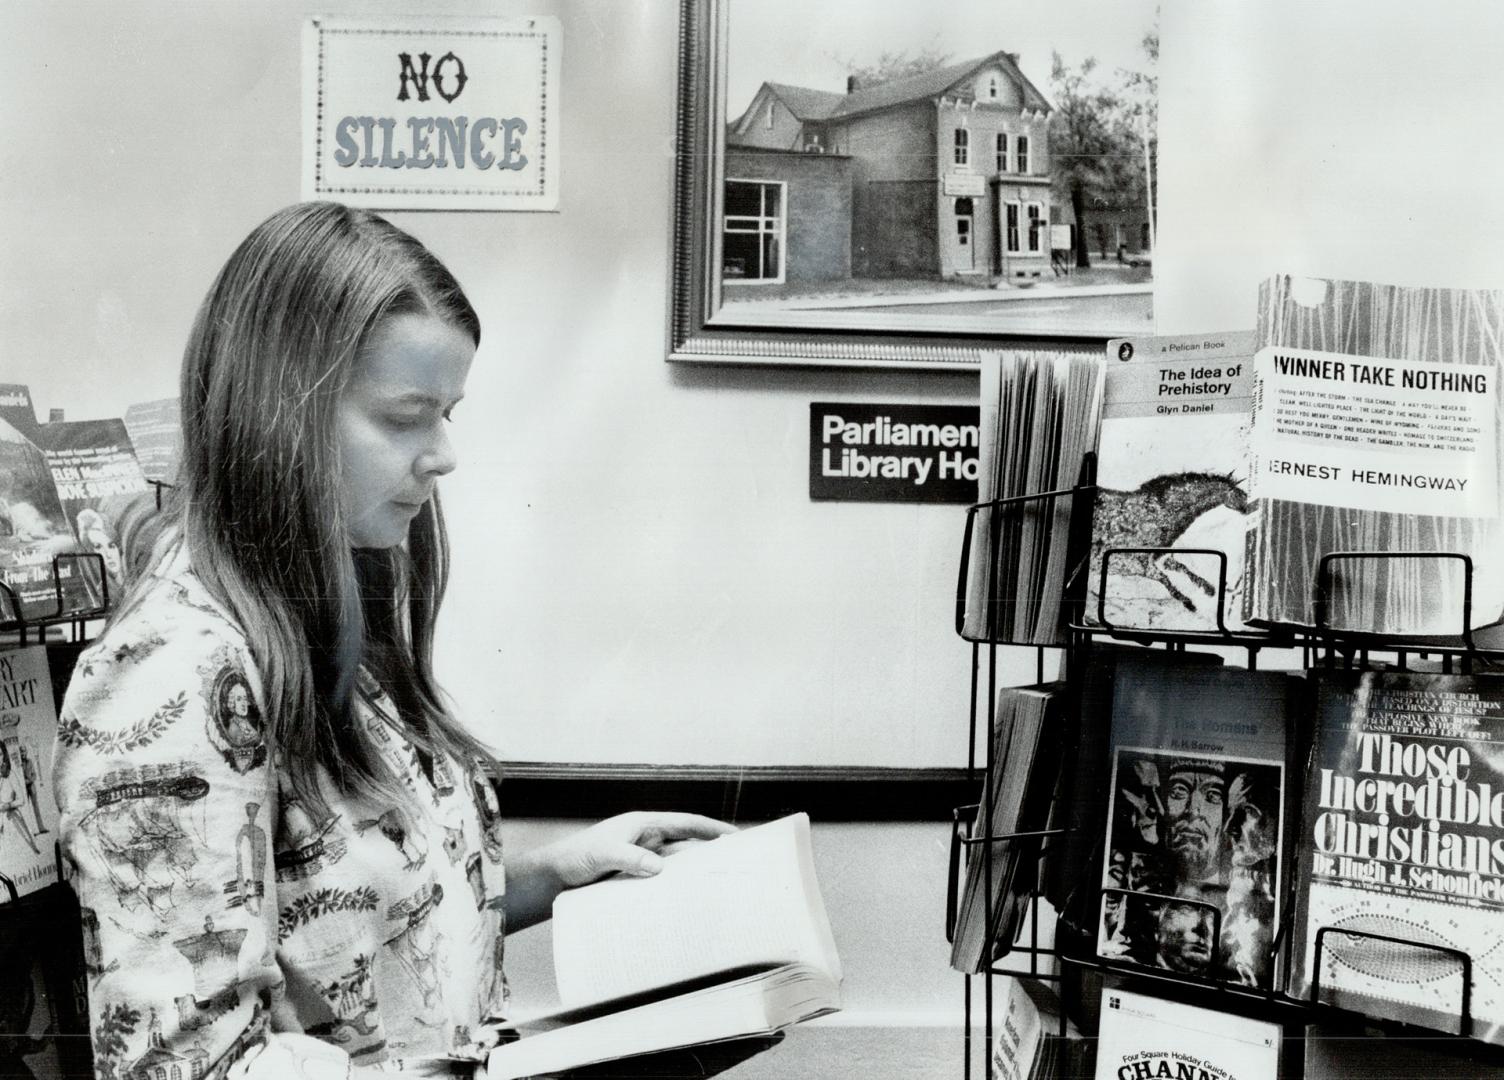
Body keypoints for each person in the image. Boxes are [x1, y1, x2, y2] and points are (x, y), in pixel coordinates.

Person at [52, 202, 733, 1080]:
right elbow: (186, 1064)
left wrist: (561, 872)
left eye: (448, 412)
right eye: (406, 417)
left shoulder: (327, 613)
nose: (445, 452)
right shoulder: (173, 673)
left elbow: (370, 926)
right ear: (279, 416)